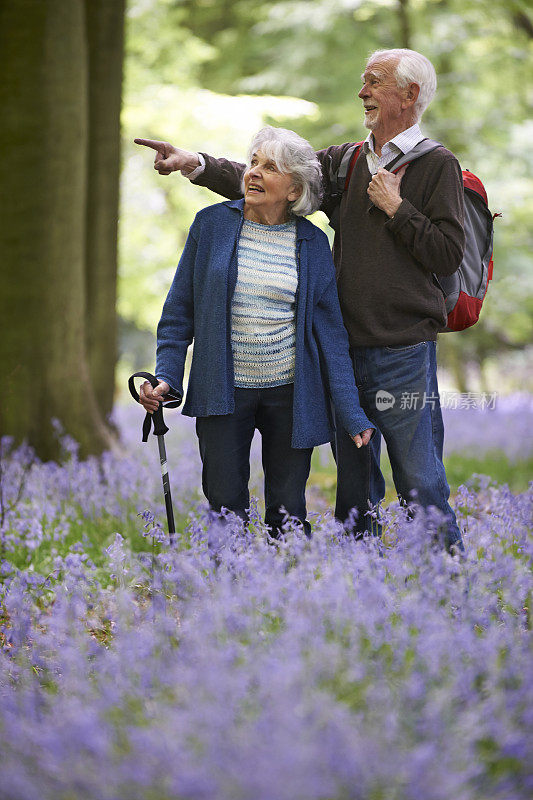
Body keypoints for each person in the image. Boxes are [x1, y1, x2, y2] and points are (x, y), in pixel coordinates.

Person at [135, 48, 465, 554]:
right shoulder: (349, 161)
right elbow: (278, 180)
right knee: (355, 486)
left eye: (373, 81)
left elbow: (446, 254)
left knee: (419, 474)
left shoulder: (437, 164)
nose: (363, 92)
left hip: (402, 351)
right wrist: (196, 165)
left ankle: (449, 581)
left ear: (409, 94)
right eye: (363, 81)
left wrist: (397, 208)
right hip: (341, 351)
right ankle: (359, 577)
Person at [138, 126, 374, 539]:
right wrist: (167, 378)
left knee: (288, 510)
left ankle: (286, 593)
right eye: (253, 163)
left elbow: (332, 337)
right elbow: (178, 315)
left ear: (295, 189)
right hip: (222, 390)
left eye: (270, 167)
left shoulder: (313, 244)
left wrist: (351, 413)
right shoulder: (210, 226)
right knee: (225, 505)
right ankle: (228, 594)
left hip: (291, 394)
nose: (254, 173)